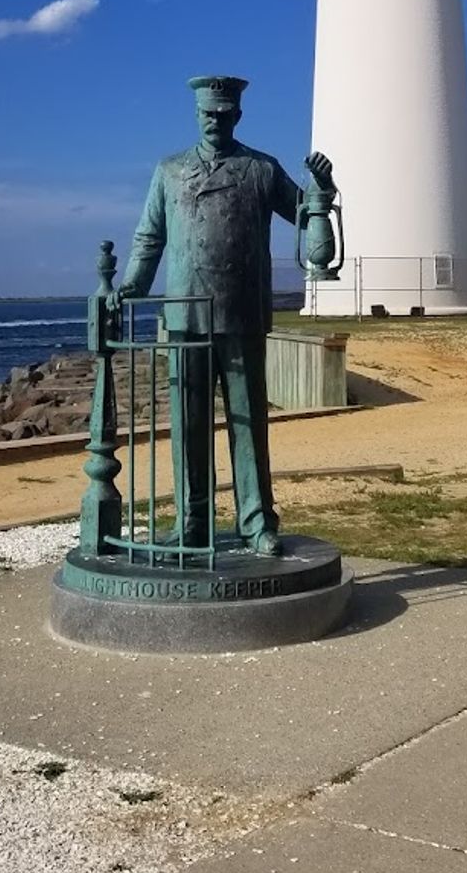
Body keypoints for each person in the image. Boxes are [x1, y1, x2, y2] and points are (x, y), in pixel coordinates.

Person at [116, 75, 335, 557]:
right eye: (206, 114)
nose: (214, 121)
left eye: (222, 113)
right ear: (196, 115)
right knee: (188, 425)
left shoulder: (261, 168)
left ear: (237, 115)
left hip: (242, 315)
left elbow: (305, 215)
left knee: (248, 423)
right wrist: (132, 286)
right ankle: (192, 522)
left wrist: (323, 188)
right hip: (185, 317)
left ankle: (257, 522)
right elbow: (150, 238)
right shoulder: (169, 170)